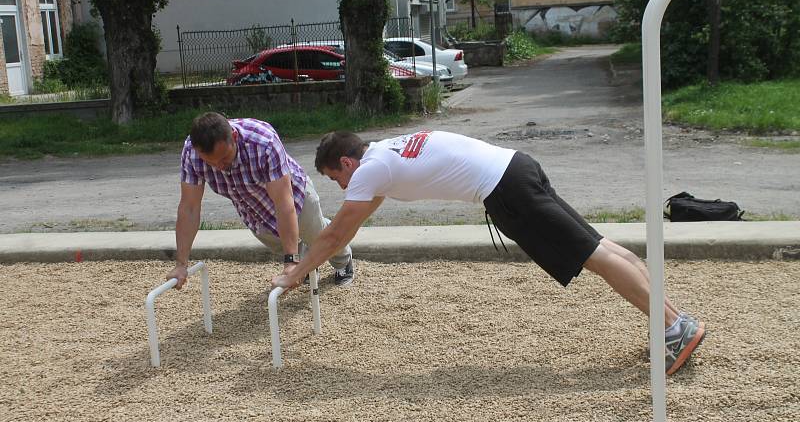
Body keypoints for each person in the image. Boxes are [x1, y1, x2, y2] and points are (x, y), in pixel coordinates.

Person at [272, 130, 706, 375]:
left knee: (595, 257)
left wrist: (294, 273)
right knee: (603, 247)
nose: (341, 188)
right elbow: (357, 218)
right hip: (518, 165)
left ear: (346, 164)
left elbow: (332, 238)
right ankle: (675, 321)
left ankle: (673, 330)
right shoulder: (387, 151)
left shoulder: (370, 171)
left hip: (504, 190)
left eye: (335, 179)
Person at [165, 112, 354, 289]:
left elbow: (284, 203)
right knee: (282, 245)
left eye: (224, 158)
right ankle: (304, 264)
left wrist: (290, 262)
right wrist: (181, 264)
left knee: (317, 235)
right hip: (254, 209)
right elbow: (189, 208)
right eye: (210, 163)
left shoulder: (263, 141)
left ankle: (343, 261)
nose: (219, 167)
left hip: (295, 198)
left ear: (234, 138)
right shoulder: (191, 152)